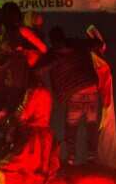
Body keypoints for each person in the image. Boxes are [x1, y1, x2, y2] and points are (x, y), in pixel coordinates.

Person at [34, 25, 106, 164]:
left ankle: (71, 158)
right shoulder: (77, 43)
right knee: (91, 125)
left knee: (71, 127)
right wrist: (93, 36)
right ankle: (92, 156)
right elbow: (98, 44)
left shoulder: (53, 54)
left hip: (74, 94)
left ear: (52, 41)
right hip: (91, 89)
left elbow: (37, 69)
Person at [0, 2, 47, 115]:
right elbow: (43, 48)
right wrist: (26, 51)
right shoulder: (22, 30)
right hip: (17, 74)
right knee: (15, 104)